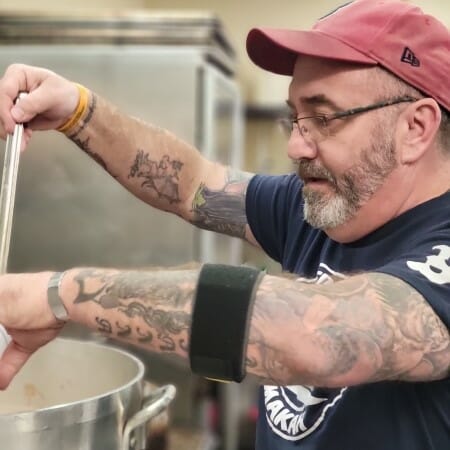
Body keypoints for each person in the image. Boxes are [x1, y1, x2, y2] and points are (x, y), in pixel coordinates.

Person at [0, 0, 449, 448]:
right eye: (294, 118)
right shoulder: (330, 206)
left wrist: (61, 295)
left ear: (415, 127)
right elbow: (193, 184)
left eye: (323, 118)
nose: (295, 146)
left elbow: (314, 337)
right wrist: (78, 110)